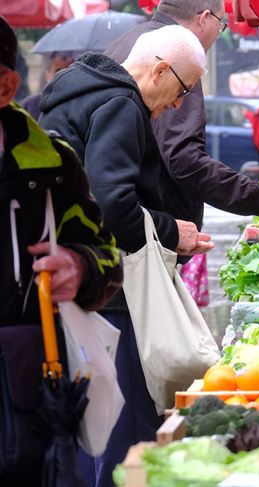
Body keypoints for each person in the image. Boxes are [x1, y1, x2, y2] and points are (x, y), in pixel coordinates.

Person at [38, 25, 213, 487]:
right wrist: (172, 230)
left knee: (90, 424)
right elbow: (112, 203)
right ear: (160, 70)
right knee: (128, 432)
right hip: (110, 292)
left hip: (69, 279)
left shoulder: (74, 89)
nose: (179, 103)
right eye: (184, 89)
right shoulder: (120, 104)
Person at [0, 16, 123, 484]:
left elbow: (107, 255)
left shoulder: (52, 167)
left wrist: (81, 266)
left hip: (27, 394)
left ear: (6, 85)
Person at [105, 0, 259, 242]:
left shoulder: (128, 41)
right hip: (144, 236)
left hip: (126, 225)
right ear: (205, 17)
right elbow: (184, 159)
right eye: (221, 24)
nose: (219, 33)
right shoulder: (177, 56)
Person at [20, 52, 73, 119]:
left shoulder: (80, 105)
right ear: (47, 75)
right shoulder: (30, 105)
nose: (63, 76)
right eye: (58, 71)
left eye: (68, 71)